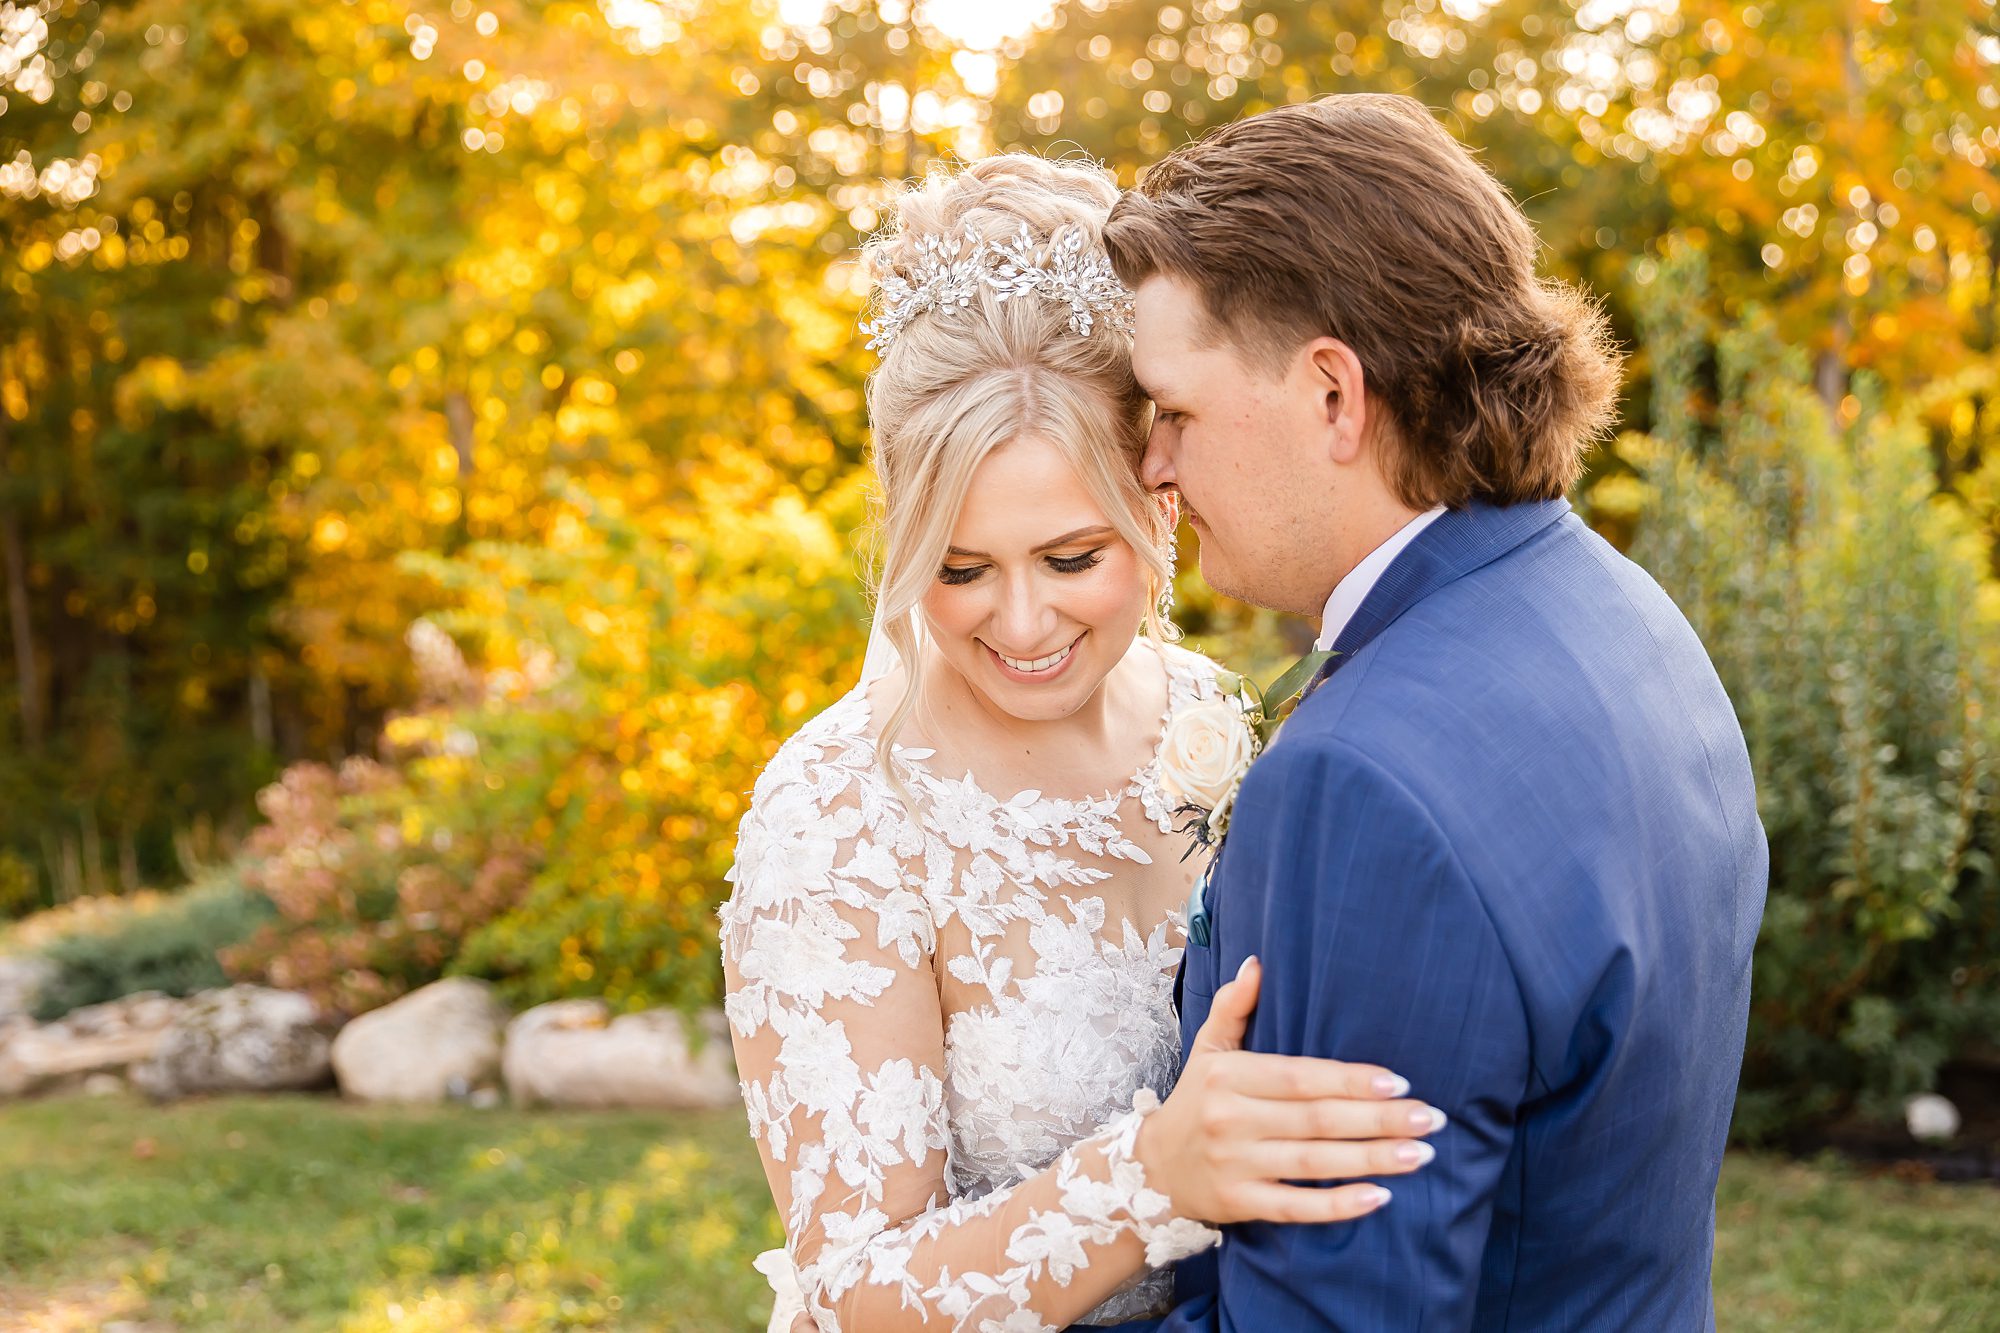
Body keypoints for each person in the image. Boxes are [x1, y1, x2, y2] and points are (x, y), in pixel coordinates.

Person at [717, 154, 1444, 1333]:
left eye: (1069, 558)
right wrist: (1149, 1180)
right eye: (959, 569)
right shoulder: (838, 820)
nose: (1020, 623)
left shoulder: (1208, 716)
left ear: (1157, 493)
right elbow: (851, 1294)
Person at [1100, 93, 1769, 1331]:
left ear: (1332, 398)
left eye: (1175, 410)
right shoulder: (1626, 615)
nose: (1152, 465)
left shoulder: (1360, 782)